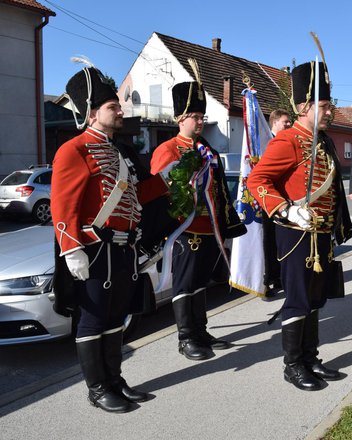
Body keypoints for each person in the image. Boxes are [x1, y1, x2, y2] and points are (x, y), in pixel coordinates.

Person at [51, 65, 171, 413]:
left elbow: (132, 196)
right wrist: (72, 250)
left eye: (118, 105)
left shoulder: (118, 153)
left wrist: (167, 182)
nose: (120, 110)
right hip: (94, 249)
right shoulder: (74, 150)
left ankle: (115, 379)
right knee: (93, 319)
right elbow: (63, 206)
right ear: (92, 113)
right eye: (112, 106)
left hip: (123, 248)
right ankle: (98, 388)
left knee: (117, 317)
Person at [247, 61, 352, 391]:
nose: (330, 112)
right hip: (295, 235)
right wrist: (286, 210)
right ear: (305, 107)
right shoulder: (288, 141)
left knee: (314, 298)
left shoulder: (321, 141)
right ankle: (293, 364)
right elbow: (257, 180)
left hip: (320, 234)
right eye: (323, 106)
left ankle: (310, 358)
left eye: (329, 105)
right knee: (297, 299)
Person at [151, 64, 247, 361]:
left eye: (202, 116)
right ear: (181, 118)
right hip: (183, 230)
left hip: (210, 228)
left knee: (201, 282)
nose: (200, 121)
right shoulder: (168, 149)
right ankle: (185, 337)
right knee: (185, 283)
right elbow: (158, 191)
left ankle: (201, 330)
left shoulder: (207, 149)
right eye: (195, 116)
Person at [261, 109, 292, 300]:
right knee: (268, 242)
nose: (289, 125)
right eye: (285, 122)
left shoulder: (287, 143)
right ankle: (267, 280)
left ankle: (280, 277)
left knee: (282, 242)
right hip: (268, 201)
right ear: (274, 123)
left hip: (285, 201)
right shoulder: (265, 144)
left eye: (290, 123)